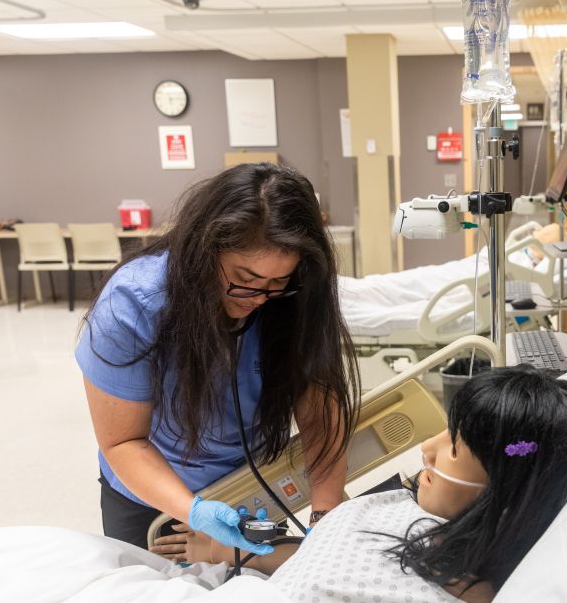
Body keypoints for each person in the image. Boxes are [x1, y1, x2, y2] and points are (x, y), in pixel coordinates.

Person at [76, 163, 358, 557]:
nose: (259, 298)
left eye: (278, 282)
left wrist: (325, 515)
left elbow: (319, 407)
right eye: (244, 277)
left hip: (250, 482)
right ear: (204, 249)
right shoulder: (133, 306)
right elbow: (123, 440)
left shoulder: (297, 298)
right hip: (151, 493)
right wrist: (194, 512)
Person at [151, 365, 567, 602]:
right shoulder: (424, 504)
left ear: (506, 487)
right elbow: (328, 549)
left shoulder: (477, 582)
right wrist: (224, 551)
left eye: (454, 446)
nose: (428, 449)